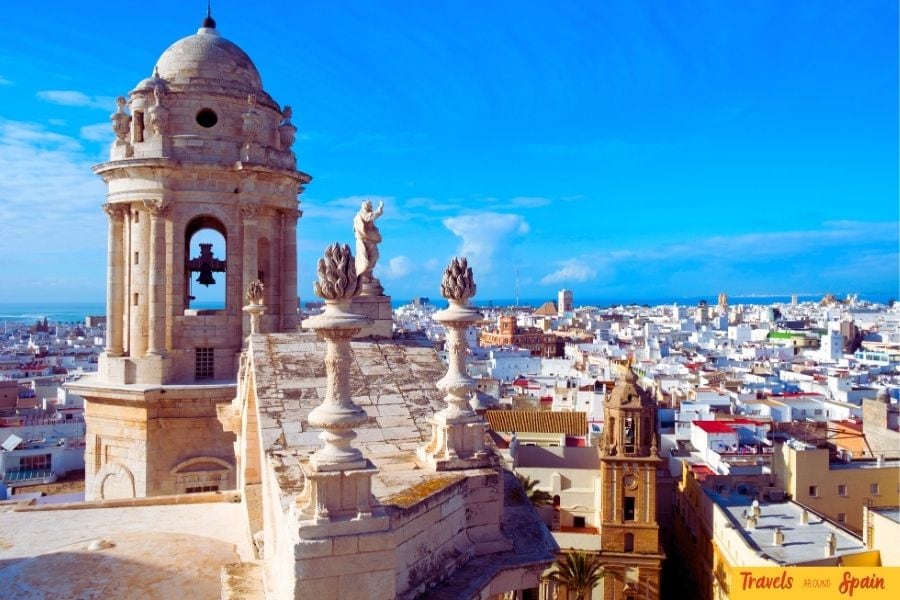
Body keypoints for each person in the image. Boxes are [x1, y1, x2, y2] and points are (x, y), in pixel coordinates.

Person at [353, 199, 384, 283]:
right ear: (366, 206)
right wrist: (379, 209)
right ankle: (363, 276)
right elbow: (370, 216)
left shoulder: (366, 214)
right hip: (365, 241)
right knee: (367, 259)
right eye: (370, 206)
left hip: (370, 240)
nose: (371, 207)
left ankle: (368, 275)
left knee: (374, 256)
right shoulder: (362, 214)